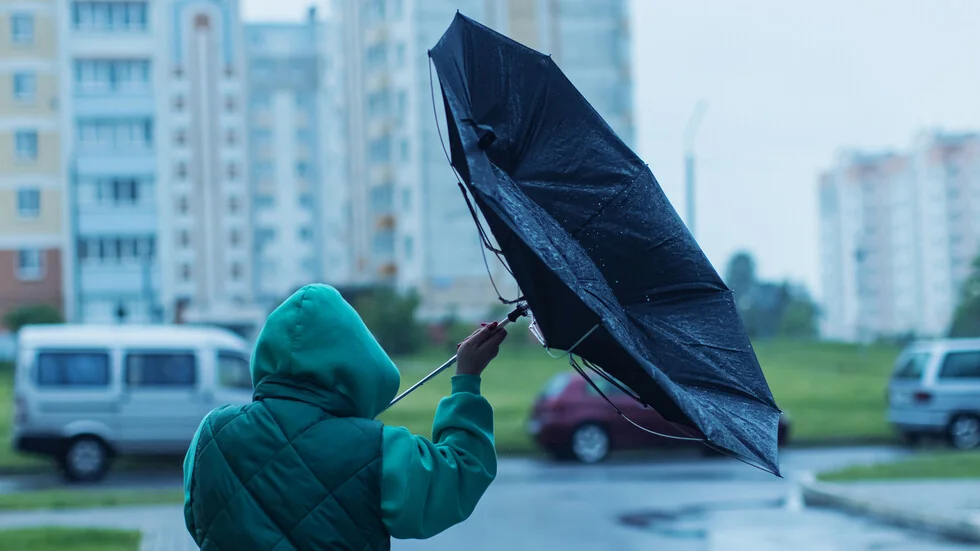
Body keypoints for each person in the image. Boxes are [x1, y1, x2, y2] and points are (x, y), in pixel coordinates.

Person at [182, 284, 507, 550]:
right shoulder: (379, 450)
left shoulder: (211, 434)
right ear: (359, 359)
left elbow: (198, 520)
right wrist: (467, 379)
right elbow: (460, 474)